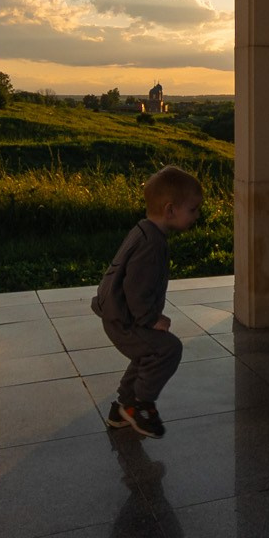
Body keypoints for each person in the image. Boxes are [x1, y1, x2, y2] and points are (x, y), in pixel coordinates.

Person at [94, 165, 202, 437]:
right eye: (193, 209)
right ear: (170, 210)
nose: (196, 216)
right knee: (167, 349)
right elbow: (135, 287)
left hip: (120, 314)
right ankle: (141, 407)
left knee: (146, 352)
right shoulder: (152, 244)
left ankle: (122, 408)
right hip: (125, 318)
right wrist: (151, 319)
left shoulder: (145, 230)